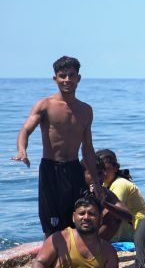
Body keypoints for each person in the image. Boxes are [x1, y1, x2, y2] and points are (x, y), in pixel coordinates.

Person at [13, 56, 104, 237]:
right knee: (51, 223)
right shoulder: (45, 105)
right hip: (51, 169)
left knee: (79, 217)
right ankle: (52, 259)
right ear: (55, 78)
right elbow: (25, 129)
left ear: (79, 78)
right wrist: (22, 150)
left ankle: (78, 259)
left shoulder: (86, 110)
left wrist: (95, 181)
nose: (67, 80)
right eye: (62, 76)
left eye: (71, 75)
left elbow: (87, 148)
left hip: (74, 169)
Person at [33, 196, 118, 268]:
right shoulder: (60, 239)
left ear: (101, 218)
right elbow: (38, 263)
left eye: (91, 214)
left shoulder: (108, 251)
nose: (86, 217)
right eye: (81, 213)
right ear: (74, 217)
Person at [95, 149, 145, 242]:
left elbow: (111, 213)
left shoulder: (120, 183)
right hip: (127, 229)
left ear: (115, 168)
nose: (104, 173)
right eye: (100, 171)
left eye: (106, 169)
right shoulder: (105, 184)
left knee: (111, 214)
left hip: (136, 231)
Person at [81, 157, 134, 242]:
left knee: (114, 215)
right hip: (75, 235)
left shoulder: (105, 192)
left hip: (95, 238)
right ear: (82, 175)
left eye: (100, 173)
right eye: (92, 174)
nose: (97, 178)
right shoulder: (76, 191)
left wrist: (104, 203)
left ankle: (96, 247)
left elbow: (129, 216)